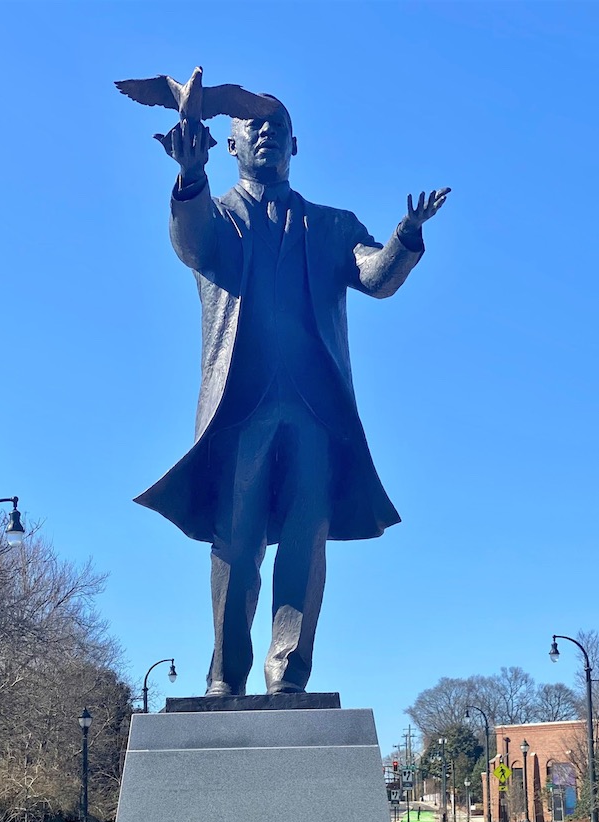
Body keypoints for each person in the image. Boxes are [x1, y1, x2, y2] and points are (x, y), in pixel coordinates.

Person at [135, 100, 449, 696]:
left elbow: (376, 277)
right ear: (230, 146)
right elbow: (192, 241)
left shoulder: (332, 226)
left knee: (306, 540)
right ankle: (226, 677)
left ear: (295, 146)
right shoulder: (219, 217)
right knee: (237, 540)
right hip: (240, 408)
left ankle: (288, 677)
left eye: (277, 128)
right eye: (252, 127)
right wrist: (190, 177)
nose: (265, 134)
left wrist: (406, 236)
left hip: (314, 412)